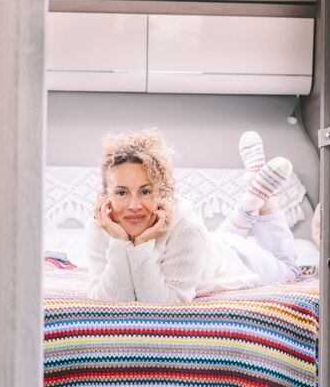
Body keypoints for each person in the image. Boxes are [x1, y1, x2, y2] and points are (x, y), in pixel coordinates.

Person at [84, 128, 300, 304]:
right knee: (214, 238)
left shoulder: (188, 229)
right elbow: (113, 299)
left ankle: (262, 202)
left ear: (161, 192)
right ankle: (248, 204)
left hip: (236, 259)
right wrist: (120, 241)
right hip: (209, 246)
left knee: (289, 269)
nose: (134, 205)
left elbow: (162, 303)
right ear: (106, 195)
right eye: (121, 193)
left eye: (145, 191)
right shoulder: (98, 228)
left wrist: (142, 243)